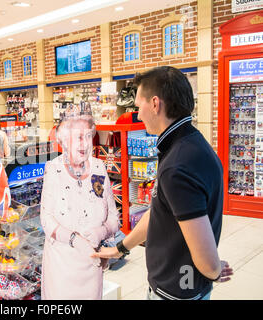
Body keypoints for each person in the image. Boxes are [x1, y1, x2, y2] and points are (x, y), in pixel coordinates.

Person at [92, 66, 233, 300]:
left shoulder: (177, 165)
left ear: (155, 104)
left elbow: (207, 262)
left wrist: (214, 270)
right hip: (185, 287)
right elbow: (160, 211)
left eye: (138, 106)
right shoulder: (192, 144)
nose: (137, 114)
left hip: (175, 291)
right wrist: (120, 249)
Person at [40, 103, 120, 300]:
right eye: (78, 137)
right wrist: (75, 240)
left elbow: (113, 217)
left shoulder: (99, 168)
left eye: (87, 136)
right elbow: (46, 220)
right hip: (61, 269)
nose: (84, 144)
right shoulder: (54, 169)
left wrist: (101, 232)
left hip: (93, 267)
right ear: (65, 140)